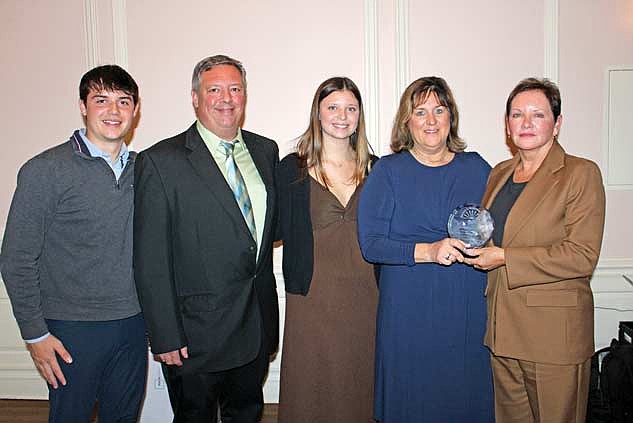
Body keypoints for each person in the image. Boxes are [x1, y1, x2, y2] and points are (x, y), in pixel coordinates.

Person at [133, 55, 279, 423]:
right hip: (195, 336)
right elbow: (150, 259)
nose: (226, 98)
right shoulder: (161, 161)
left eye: (235, 89)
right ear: (195, 98)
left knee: (246, 415)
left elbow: (260, 238)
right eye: (214, 89)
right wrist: (165, 335)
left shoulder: (266, 151)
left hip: (255, 326)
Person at [0, 65, 146, 422]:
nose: (113, 111)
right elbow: (16, 258)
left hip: (132, 323)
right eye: (101, 100)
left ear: (135, 110)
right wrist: (35, 335)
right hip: (70, 330)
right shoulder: (44, 170)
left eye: (123, 101)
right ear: (82, 106)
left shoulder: (145, 170)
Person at [464, 77, 606, 423]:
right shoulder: (499, 173)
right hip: (503, 332)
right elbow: (497, 235)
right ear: (507, 125)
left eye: (537, 115)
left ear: (556, 124)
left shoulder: (580, 173)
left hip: (552, 339)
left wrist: (505, 257)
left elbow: (581, 255)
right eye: (517, 115)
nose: (525, 123)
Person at [357, 76, 494, 422]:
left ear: (451, 118)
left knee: (464, 398)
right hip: (409, 308)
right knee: (413, 399)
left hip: (466, 306)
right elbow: (371, 244)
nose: (431, 121)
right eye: (420, 112)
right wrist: (429, 251)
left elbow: (502, 225)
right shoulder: (387, 171)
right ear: (407, 121)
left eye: (439, 110)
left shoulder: (477, 168)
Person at [276, 77, 378, 423]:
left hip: (367, 297)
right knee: (311, 389)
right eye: (333, 107)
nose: (342, 116)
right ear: (318, 113)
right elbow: (268, 230)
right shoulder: (291, 169)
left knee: (360, 385)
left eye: (351, 108)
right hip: (313, 298)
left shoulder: (377, 169)